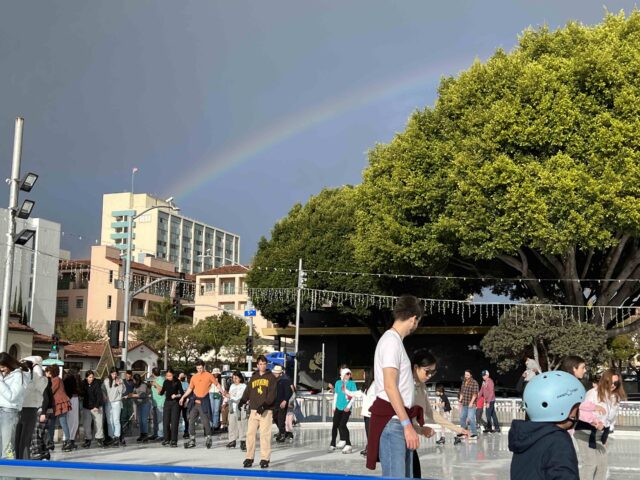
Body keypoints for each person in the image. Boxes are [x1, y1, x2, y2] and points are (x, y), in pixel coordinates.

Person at [367, 295, 424, 478]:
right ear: (414, 318)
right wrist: (407, 425)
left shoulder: (394, 342)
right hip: (393, 422)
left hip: (397, 420)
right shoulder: (391, 342)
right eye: (418, 322)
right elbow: (390, 386)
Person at [509, 371, 585, 479]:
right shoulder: (558, 441)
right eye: (576, 406)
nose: (578, 411)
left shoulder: (525, 436)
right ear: (564, 406)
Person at [575, 369, 626, 480]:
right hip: (585, 432)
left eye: (616, 383)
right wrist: (595, 422)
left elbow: (611, 419)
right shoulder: (593, 393)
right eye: (610, 382)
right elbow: (582, 411)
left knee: (602, 465)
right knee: (591, 464)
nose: (613, 385)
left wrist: (606, 435)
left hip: (600, 434)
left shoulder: (615, 397)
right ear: (604, 381)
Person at [239, 355, 277, 469]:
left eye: (264, 364)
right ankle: (249, 457)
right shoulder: (254, 377)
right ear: (257, 365)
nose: (262, 366)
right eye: (260, 364)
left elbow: (272, 393)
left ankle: (265, 458)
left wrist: (265, 405)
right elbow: (248, 390)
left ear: (267, 365)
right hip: (254, 410)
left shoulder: (271, 377)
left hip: (266, 411)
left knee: (265, 435)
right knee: (250, 434)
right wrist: (243, 400)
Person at [409, 349, 438, 478]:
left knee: (414, 472)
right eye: (427, 371)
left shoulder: (421, 386)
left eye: (433, 372)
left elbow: (429, 411)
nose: (430, 375)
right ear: (416, 367)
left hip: (407, 431)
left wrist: (457, 428)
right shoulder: (405, 384)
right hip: (394, 431)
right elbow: (400, 416)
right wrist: (420, 430)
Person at [179, 359, 216, 449]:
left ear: (204, 367)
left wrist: (223, 392)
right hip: (195, 402)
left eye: (201, 368)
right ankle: (192, 439)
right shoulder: (194, 377)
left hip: (204, 402)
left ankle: (208, 437)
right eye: (198, 368)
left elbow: (217, 385)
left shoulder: (209, 375)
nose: (199, 369)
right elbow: (190, 389)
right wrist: (183, 397)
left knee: (205, 421)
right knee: (191, 420)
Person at [15, 356, 47, 459]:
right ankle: (21, 461)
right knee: (23, 438)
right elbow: (40, 385)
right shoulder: (36, 379)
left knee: (21, 438)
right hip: (27, 409)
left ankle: (20, 460)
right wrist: (37, 366)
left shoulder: (22, 377)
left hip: (22, 409)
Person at [329, 367, 356, 453]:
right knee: (335, 425)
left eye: (349, 374)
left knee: (342, 425)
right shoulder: (338, 383)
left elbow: (354, 396)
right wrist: (334, 407)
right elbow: (336, 395)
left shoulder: (352, 384)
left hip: (346, 408)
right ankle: (332, 443)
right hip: (338, 407)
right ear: (343, 375)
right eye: (347, 374)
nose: (349, 375)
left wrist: (348, 406)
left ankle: (348, 444)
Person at [45, 365, 72, 451]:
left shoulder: (56, 379)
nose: (46, 373)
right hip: (54, 404)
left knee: (63, 422)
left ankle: (67, 441)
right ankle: (50, 442)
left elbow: (51, 391)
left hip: (60, 404)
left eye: (47, 372)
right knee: (51, 423)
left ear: (51, 372)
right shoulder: (54, 379)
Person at [155, 368, 183, 447]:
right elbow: (162, 392)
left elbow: (182, 393)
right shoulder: (165, 382)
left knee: (174, 423)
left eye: (170, 376)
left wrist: (176, 395)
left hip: (175, 404)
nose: (168, 377)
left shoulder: (177, 382)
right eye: (167, 376)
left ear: (173, 374)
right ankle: (167, 439)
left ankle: (174, 440)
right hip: (167, 403)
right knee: (166, 422)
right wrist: (158, 389)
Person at [102, 367, 126, 446]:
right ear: (110, 373)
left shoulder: (120, 380)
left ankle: (117, 436)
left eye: (115, 374)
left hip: (116, 402)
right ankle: (111, 436)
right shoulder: (106, 381)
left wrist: (119, 384)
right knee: (109, 421)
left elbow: (123, 391)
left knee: (116, 420)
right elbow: (103, 390)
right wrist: (104, 396)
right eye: (113, 374)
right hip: (108, 402)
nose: (114, 375)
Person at [80, 370, 105, 448]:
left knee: (98, 423)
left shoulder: (96, 384)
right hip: (87, 407)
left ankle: (99, 439)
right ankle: (88, 439)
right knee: (86, 424)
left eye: (92, 377)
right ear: (86, 377)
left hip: (96, 407)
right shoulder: (83, 384)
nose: (91, 379)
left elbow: (99, 396)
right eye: (90, 377)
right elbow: (81, 393)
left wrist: (96, 406)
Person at [225, 371, 247, 450]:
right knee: (231, 424)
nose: (234, 380)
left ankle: (243, 441)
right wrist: (226, 399)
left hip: (240, 407)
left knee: (241, 425)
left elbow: (241, 396)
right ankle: (232, 440)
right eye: (233, 378)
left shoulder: (243, 386)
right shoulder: (232, 386)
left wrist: (231, 397)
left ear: (240, 378)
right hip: (232, 407)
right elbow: (230, 395)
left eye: (236, 378)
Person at [272, 365, 292, 444]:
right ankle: (283, 431)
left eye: (276, 373)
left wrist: (285, 400)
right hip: (275, 403)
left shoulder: (285, 380)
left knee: (281, 419)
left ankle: (282, 434)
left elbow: (289, 392)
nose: (275, 374)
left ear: (280, 373)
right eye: (274, 373)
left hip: (282, 403)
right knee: (275, 417)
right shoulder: (274, 380)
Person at [457, 370, 479, 439]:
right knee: (462, 417)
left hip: (471, 404)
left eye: (467, 375)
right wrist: (460, 400)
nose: (466, 376)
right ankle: (463, 432)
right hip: (464, 403)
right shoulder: (464, 382)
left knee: (471, 418)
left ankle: (474, 433)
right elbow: (462, 392)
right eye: (465, 375)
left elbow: (475, 394)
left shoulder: (474, 382)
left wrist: (471, 402)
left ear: (471, 375)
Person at [130, 373, 151, 443]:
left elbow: (143, 394)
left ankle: (145, 435)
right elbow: (133, 392)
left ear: (136, 380)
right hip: (139, 404)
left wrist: (133, 395)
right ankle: (142, 434)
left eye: (134, 380)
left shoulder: (143, 385)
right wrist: (131, 395)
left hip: (145, 404)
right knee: (140, 420)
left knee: (144, 420)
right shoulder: (135, 386)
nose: (133, 381)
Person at [63, 368, 81, 448]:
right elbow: (75, 390)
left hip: (69, 399)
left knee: (69, 420)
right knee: (73, 421)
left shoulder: (66, 378)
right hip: (72, 399)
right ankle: (70, 440)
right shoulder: (73, 379)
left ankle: (67, 439)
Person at [149, 367, 165, 441]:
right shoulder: (154, 379)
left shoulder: (161, 379)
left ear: (153, 373)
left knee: (160, 420)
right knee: (155, 420)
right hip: (155, 402)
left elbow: (163, 390)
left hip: (160, 402)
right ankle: (155, 433)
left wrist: (155, 384)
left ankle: (161, 435)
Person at [120, 370, 135, 437]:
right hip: (123, 400)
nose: (128, 377)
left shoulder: (133, 382)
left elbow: (135, 391)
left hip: (130, 400)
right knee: (123, 415)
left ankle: (130, 431)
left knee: (130, 415)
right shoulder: (122, 381)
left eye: (130, 376)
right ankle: (123, 430)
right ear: (125, 375)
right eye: (127, 376)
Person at [178, 372, 189, 438]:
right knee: (176, 417)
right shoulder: (176, 383)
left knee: (186, 417)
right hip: (177, 402)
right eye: (181, 375)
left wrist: (186, 401)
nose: (183, 377)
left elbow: (188, 392)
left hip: (184, 401)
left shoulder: (186, 383)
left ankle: (186, 431)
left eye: (183, 375)